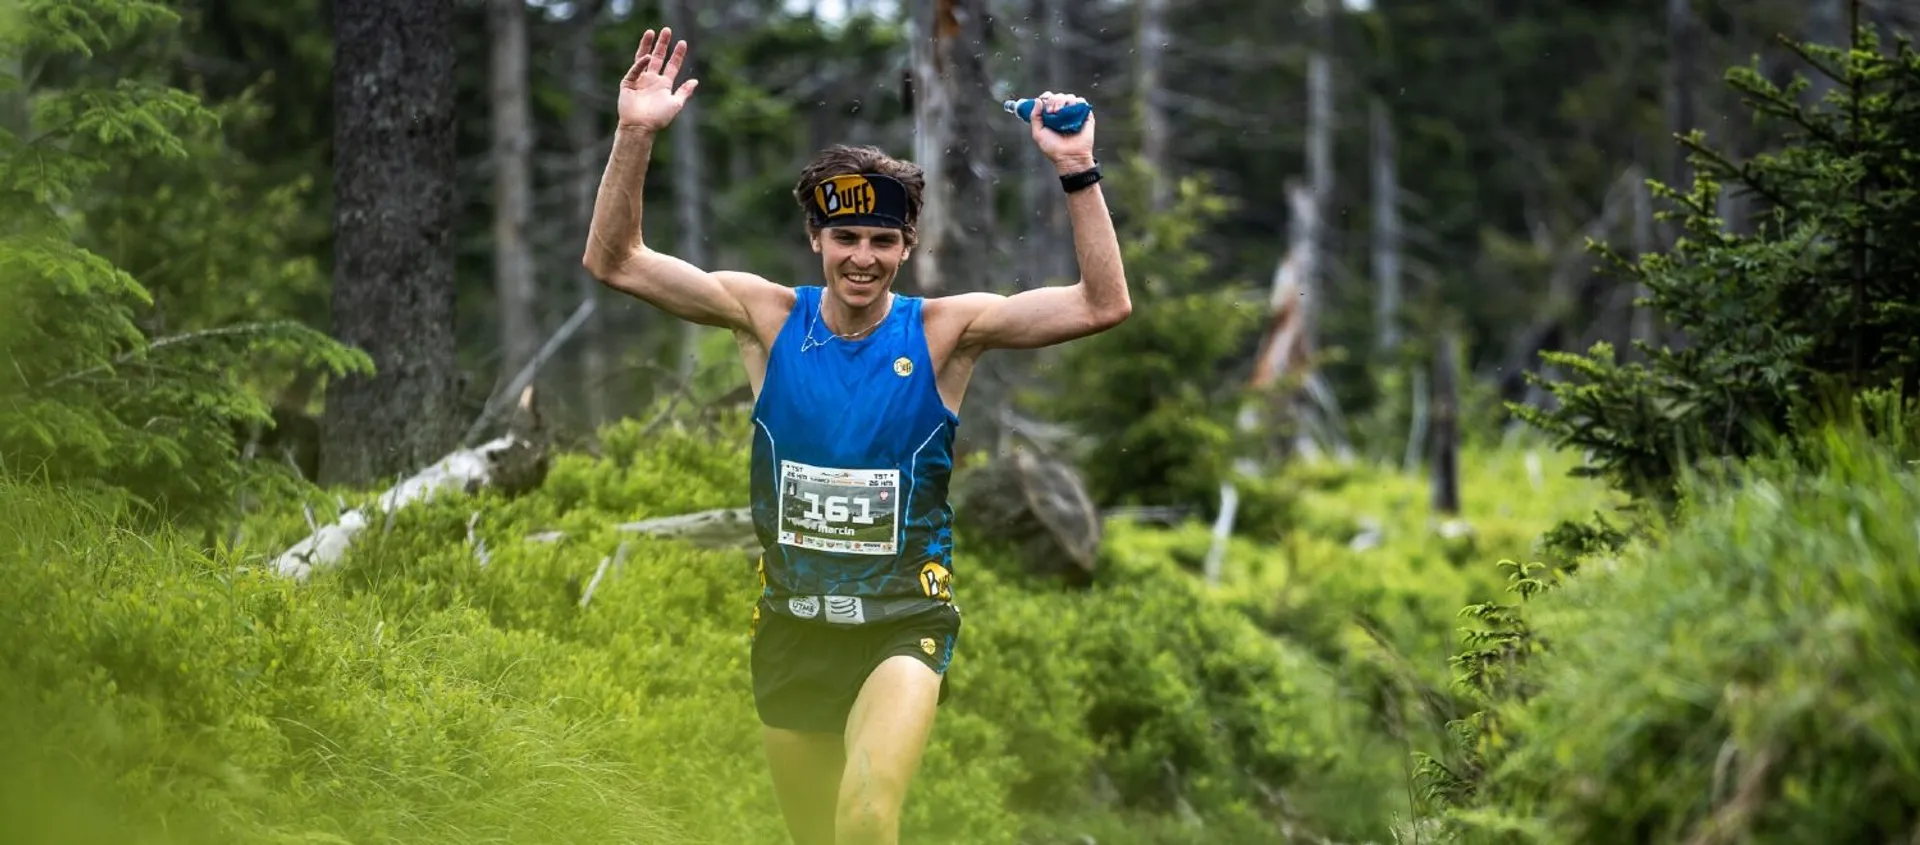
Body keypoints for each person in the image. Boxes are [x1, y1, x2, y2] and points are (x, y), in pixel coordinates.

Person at [581, 27, 1130, 845]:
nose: (862, 259)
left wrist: (1074, 167)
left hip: (902, 619)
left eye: (882, 241)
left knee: (868, 816)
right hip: (792, 625)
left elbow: (1101, 304)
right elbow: (616, 260)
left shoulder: (948, 332)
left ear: (908, 245)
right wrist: (634, 134)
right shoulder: (764, 317)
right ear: (818, 239)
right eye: (846, 238)